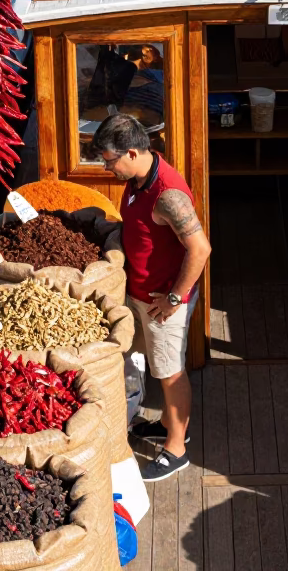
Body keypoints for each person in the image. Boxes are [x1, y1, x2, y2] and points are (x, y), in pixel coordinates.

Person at [93, 113, 211, 482]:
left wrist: (175, 299)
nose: (106, 167)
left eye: (110, 160)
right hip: (141, 295)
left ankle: (177, 448)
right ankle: (165, 424)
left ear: (131, 152)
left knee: (170, 373)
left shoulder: (168, 195)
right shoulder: (140, 177)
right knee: (153, 363)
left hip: (162, 301)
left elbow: (201, 249)